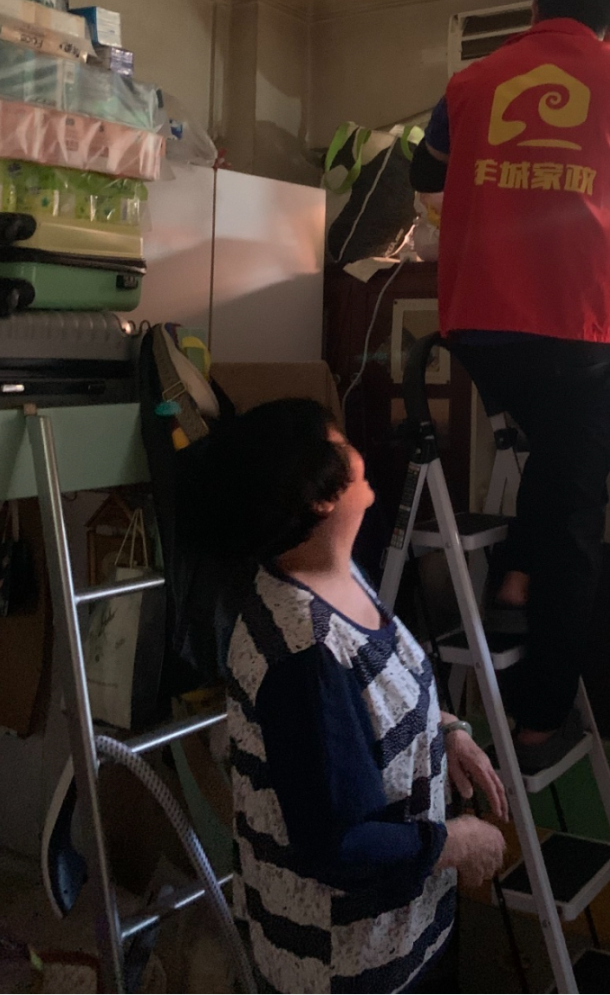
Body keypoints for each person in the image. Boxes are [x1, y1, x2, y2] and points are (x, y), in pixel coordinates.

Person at [410, 0, 610, 773]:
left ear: (532, 9)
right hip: (580, 333)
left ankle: (517, 568)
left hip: (479, 335)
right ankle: (539, 718)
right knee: (580, 499)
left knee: (557, 456)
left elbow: (422, 171)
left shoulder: (471, 81)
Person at [206, 398, 508, 995]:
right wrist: (457, 842)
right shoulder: (302, 656)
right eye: (341, 442)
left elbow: (375, 700)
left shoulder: (335, 575)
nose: (358, 452)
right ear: (318, 496)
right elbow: (340, 845)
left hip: (401, 934)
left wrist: (446, 732)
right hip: (344, 966)